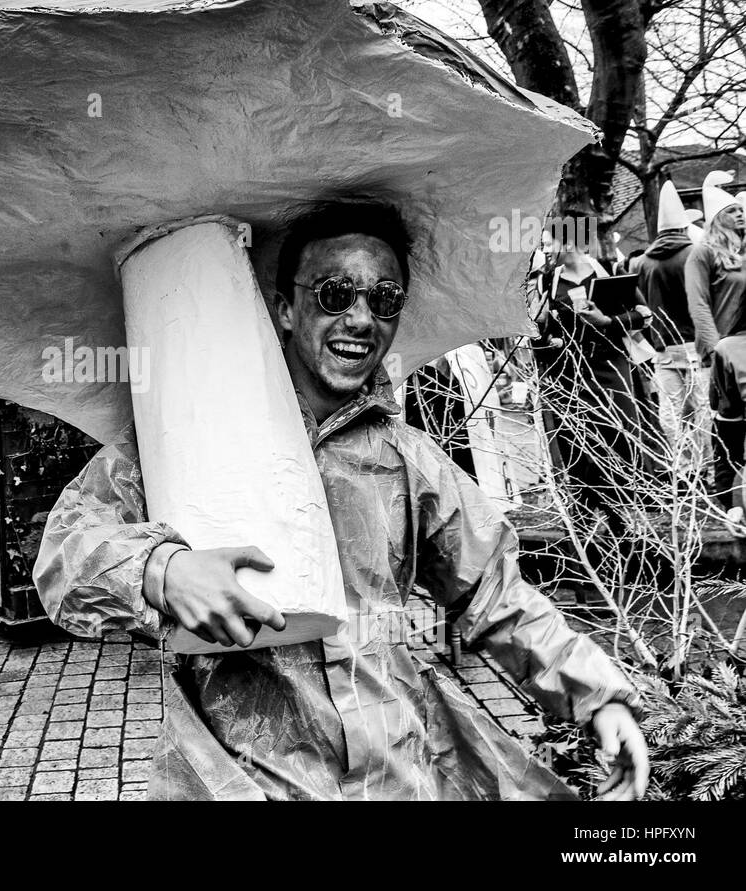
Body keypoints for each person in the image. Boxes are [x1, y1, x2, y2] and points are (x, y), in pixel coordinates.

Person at [34, 200, 648, 801]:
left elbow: (497, 595)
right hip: (243, 777)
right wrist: (162, 569)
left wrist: (598, 698)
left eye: (384, 300)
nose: (360, 318)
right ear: (285, 309)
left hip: (401, 775)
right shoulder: (191, 435)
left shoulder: (411, 460)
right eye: (335, 293)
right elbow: (65, 553)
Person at [533, 232, 654, 510]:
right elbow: (538, 332)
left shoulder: (610, 270)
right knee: (578, 439)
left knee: (621, 431)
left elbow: (645, 316)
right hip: (568, 372)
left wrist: (608, 320)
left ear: (568, 241)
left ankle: (632, 500)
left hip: (611, 365)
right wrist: (545, 334)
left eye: (548, 243)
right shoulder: (546, 281)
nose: (545, 250)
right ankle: (591, 505)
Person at [629, 182, 705, 474]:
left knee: (671, 413)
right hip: (697, 345)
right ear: (684, 229)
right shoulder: (697, 255)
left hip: (662, 348)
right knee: (701, 411)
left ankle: (684, 468)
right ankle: (707, 468)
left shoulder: (641, 263)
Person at [685, 174, 746, 524]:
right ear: (717, 217)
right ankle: (726, 500)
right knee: (726, 428)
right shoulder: (702, 253)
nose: (740, 215)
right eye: (732, 210)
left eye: (742, 210)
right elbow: (699, 305)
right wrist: (715, 349)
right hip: (724, 352)